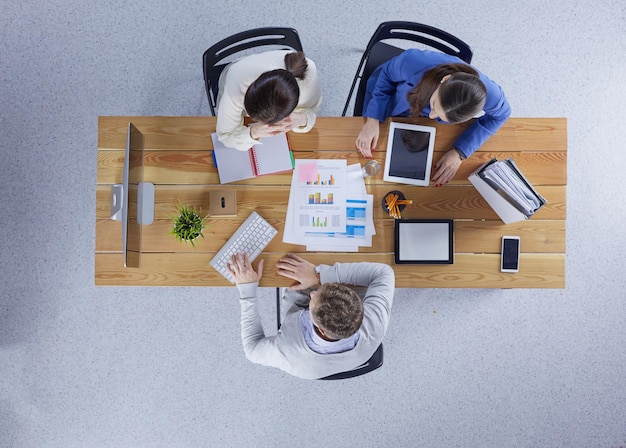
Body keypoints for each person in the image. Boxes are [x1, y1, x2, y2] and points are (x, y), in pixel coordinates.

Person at [226, 252, 395, 380]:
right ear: (359, 306)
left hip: (301, 343)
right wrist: (318, 275)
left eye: (313, 299)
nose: (313, 293)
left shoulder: (288, 352)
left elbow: (252, 349)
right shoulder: (375, 321)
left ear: (320, 329)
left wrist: (247, 290)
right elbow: (384, 272)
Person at [355, 48, 511, 186]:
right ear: (445, 79)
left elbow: (501, 115)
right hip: (392, 102)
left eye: (442, 117)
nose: (431, 115)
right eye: (435, 105)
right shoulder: (412, 62)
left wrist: (460, 152)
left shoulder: (490, 96)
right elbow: (386, 77)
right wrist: (373, 119)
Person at [216, 50, 322, 151]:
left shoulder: (308, 73)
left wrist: (301, 119)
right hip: (236, 72)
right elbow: (225, 135)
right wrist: (253, 132)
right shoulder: (236, 84)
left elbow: (312, 110)